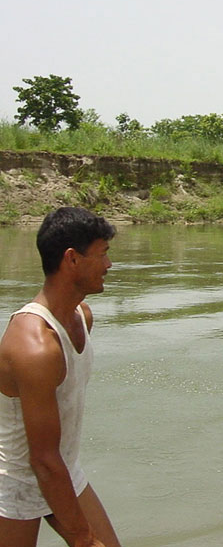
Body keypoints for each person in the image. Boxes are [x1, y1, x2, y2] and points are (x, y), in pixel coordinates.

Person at [0, 207, 121, 547]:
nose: (109, 265)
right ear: (72, 260)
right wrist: (83, 539)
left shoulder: (82, 316)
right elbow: (42, 459)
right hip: (15, 484)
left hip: (63, 468)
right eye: (103, 255)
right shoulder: (35, 347)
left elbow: (53, 460)